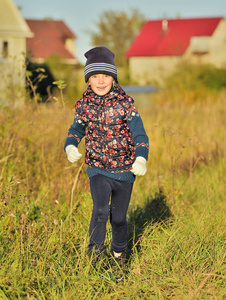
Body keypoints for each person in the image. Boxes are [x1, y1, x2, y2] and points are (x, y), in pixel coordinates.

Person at [64, 46, 149, 270]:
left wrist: (141, 159)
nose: (100, 81)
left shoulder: (126, 104)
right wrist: (70, 145)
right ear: (88, 80)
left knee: (119, 218)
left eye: (105, 76)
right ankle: (95, 258)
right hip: (97, 167)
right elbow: (76, 129)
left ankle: (119, 256)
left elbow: (140, 135)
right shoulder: (84, 106)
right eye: (94, 76)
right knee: (100, 210)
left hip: (124, 170)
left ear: (113, 77)